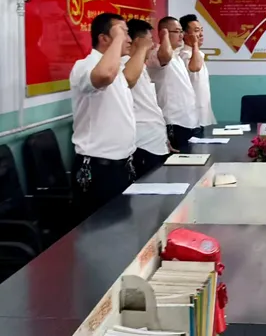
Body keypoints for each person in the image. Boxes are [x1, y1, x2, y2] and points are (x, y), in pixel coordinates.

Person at [69, 13, 139, 220]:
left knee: (123, 228)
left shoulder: (116, 68)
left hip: (122, 166)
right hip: (98, 169)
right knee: (99, 232)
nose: (128, 39)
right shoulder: (85, 65)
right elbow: (104, 75)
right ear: (104, 38)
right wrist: (118, 37)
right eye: (123, 33)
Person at [124, 19, 172, 179]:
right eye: (150, 40)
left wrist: (163, 137)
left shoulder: (141, 67)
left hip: (155, 141)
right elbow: (127, 80)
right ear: (138, 41)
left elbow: (150, 107)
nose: (153, 45)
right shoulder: (124, 66)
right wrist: (142, 47)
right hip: (142, 143)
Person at [147, 17, 199, 150]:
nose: (181, 35)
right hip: (172, 121)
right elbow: (165, 56)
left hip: (187, 121)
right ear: (163, 33)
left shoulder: (177, 57)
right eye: (176, 31)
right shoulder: (156, 54)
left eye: (181, 31)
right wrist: (164, 36)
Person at [179, 14, 216, 133]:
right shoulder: (184, 55)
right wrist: (195, 44)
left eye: (201, 30)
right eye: (196, 31)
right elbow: (195, 67)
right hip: (192, 116)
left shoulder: (198, 54)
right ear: (185, 34)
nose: (201, 34)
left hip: (203, 113)